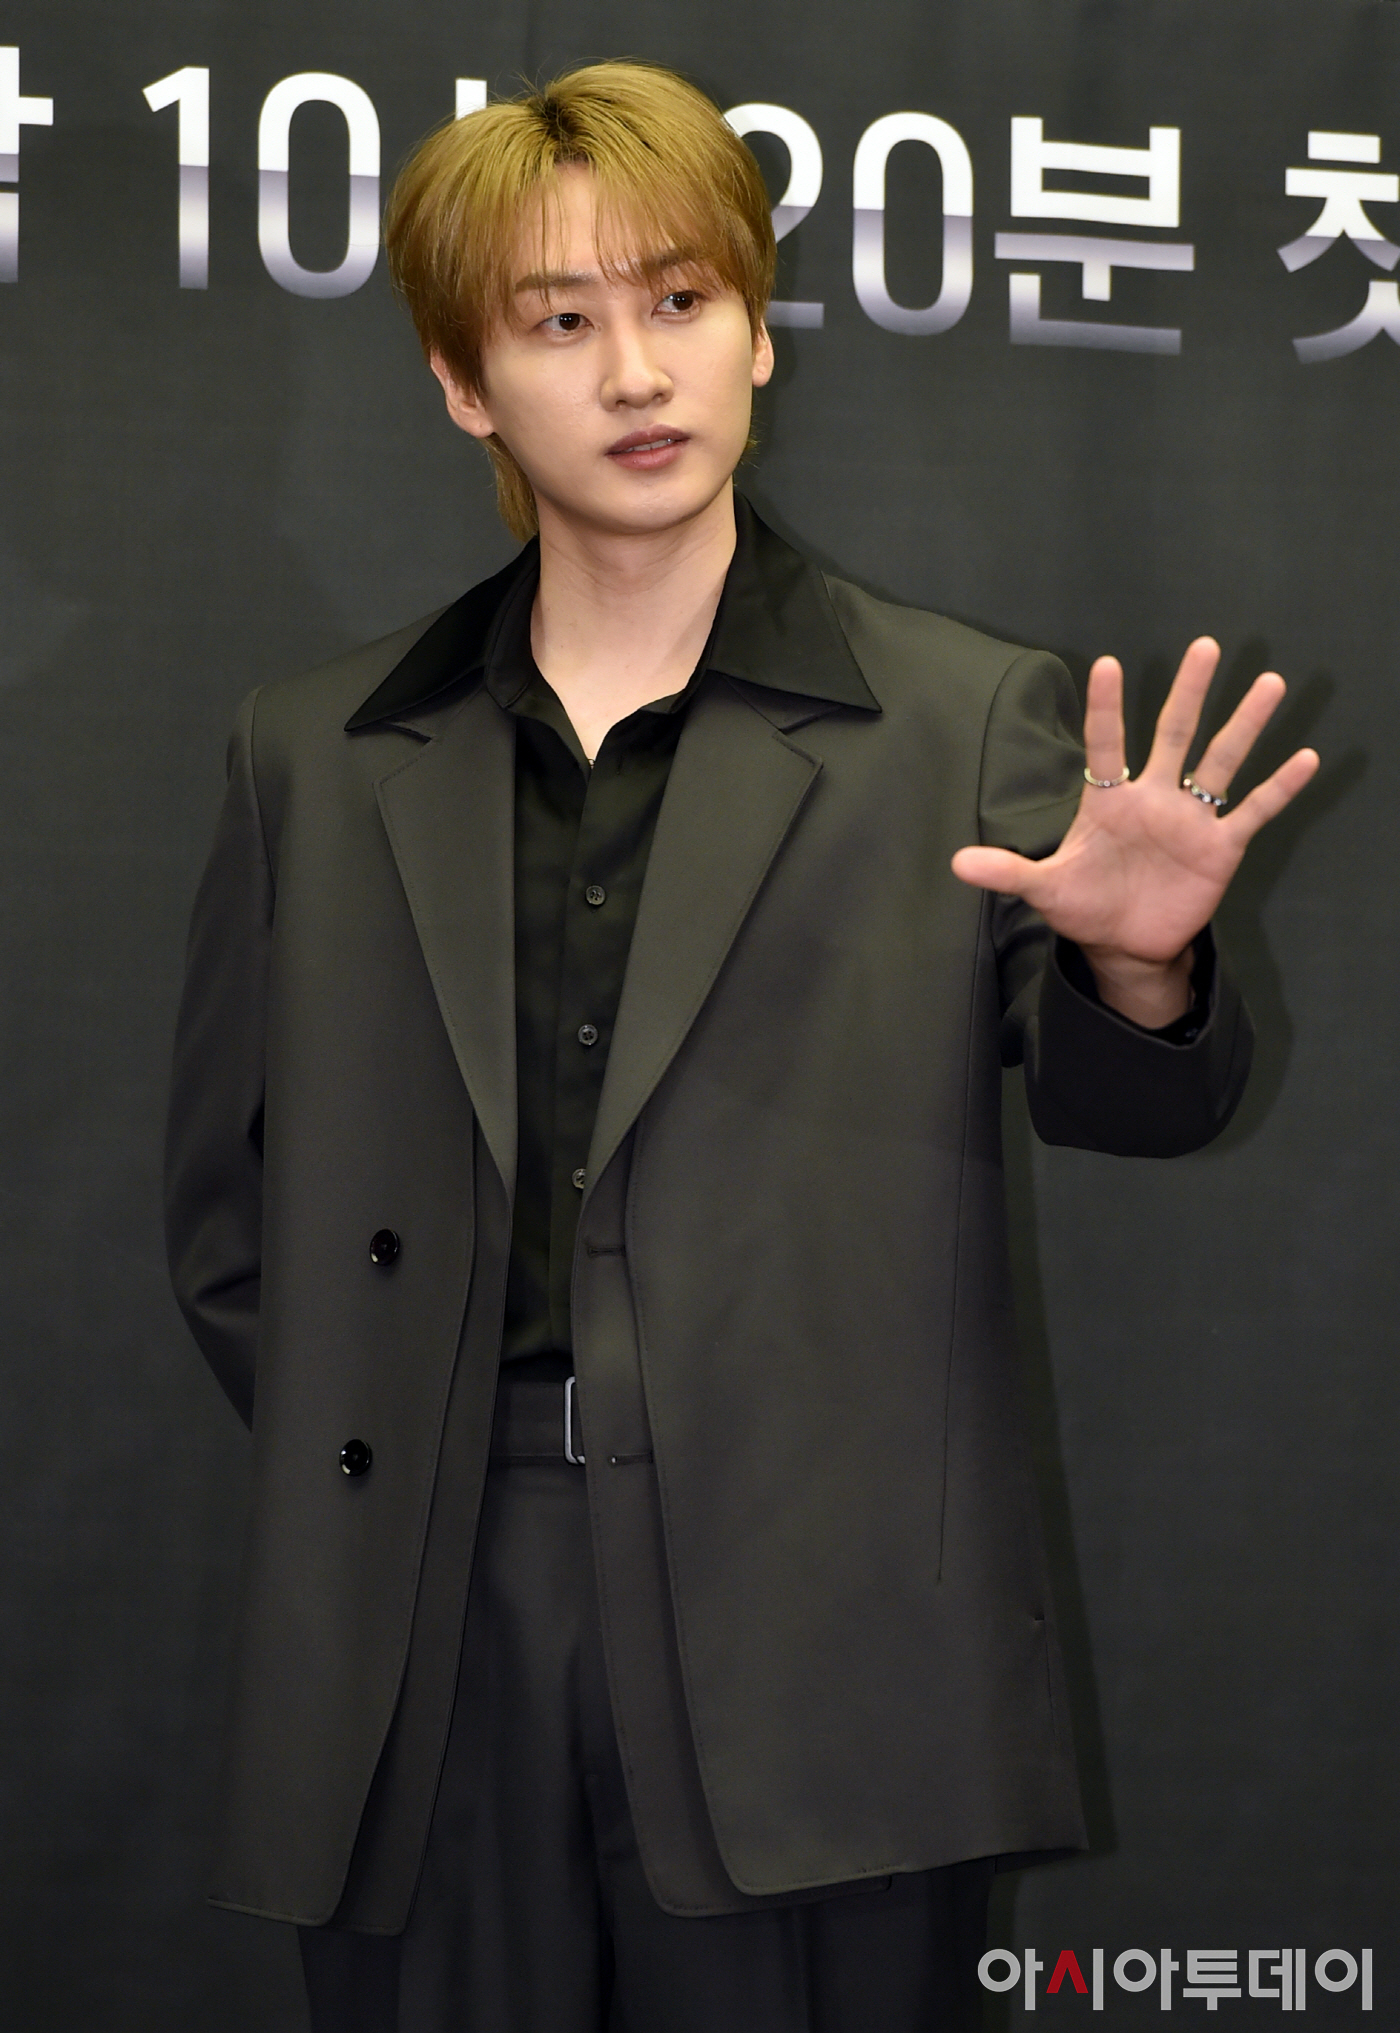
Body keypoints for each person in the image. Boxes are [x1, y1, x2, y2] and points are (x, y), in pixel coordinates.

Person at [164, 60, 1318, 2033]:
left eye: (682, 301)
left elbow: (1141, 1105)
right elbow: (228, 1220)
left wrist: (1144, 973)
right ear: (463, 385)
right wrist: (400, 1458)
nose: (636, 372)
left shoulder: (959, 719)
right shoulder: (318, 754)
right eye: (559, 322)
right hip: (424, 1624)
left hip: (819, 1628)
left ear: (757, 334)